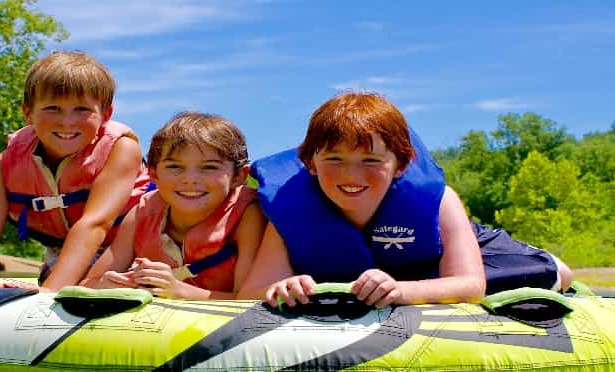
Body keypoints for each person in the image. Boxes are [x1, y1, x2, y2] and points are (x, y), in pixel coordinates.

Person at [237, 92, 572, 308]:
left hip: (435, 257)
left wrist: (403, 291)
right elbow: (253, 290)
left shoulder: (441, 200)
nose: (351, 176)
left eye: (370, 161)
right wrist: (283, 286)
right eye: (334, 160)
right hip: (363, 271)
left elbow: (470, 285)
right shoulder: (291, 207)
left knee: (560, 274)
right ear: (310, 162)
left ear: (402, 163)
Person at [0, 51, 151, 297]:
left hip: (136, 251)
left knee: (123, 239)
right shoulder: (2, 166)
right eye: (53, 108)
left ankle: (90, 283)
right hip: (67, 255)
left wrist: (48, 292)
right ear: (27, 112)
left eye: (82, 109)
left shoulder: (121, 150)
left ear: (106, 115)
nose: (67, 122)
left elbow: (95, 224)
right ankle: (72, 280)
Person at [81, 112, 266, 300]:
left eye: (209, 167)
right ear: (153, 174)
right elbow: (89, 284)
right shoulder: (142, 213)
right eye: (175, 167)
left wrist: (182, 292)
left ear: (239, 176)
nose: (190, 180)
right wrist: (108, 285)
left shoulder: (248, 215)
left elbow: (250, 300)